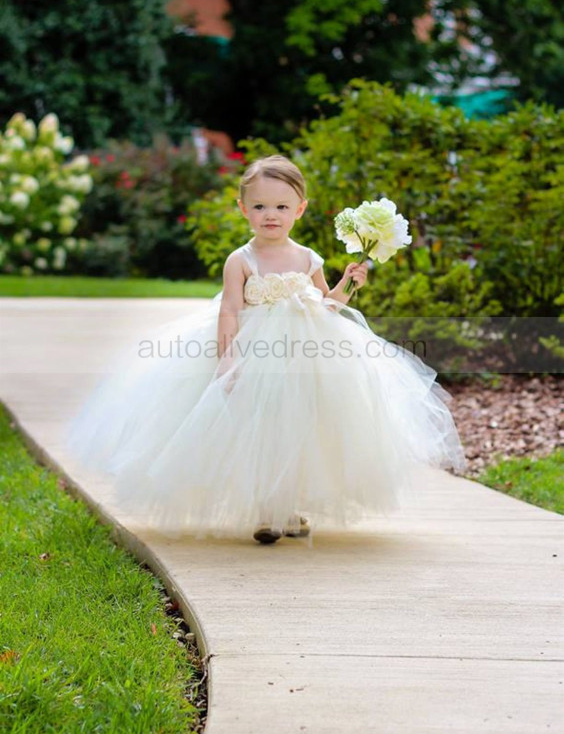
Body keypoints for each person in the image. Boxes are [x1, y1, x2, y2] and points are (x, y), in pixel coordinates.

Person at [65, 154, 467, 547]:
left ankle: (287, 507)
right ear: (243, 209)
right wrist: (229, 355)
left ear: (300, 209)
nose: (270, 214)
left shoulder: (308, 258)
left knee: (298, 427)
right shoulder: (240, 259)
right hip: (255, 351)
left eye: (281, 206)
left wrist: (349, 281)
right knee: (257, 428)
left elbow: (326, 305)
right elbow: (229, 308)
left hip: (306, 353)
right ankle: (264, 510)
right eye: (259, 206)